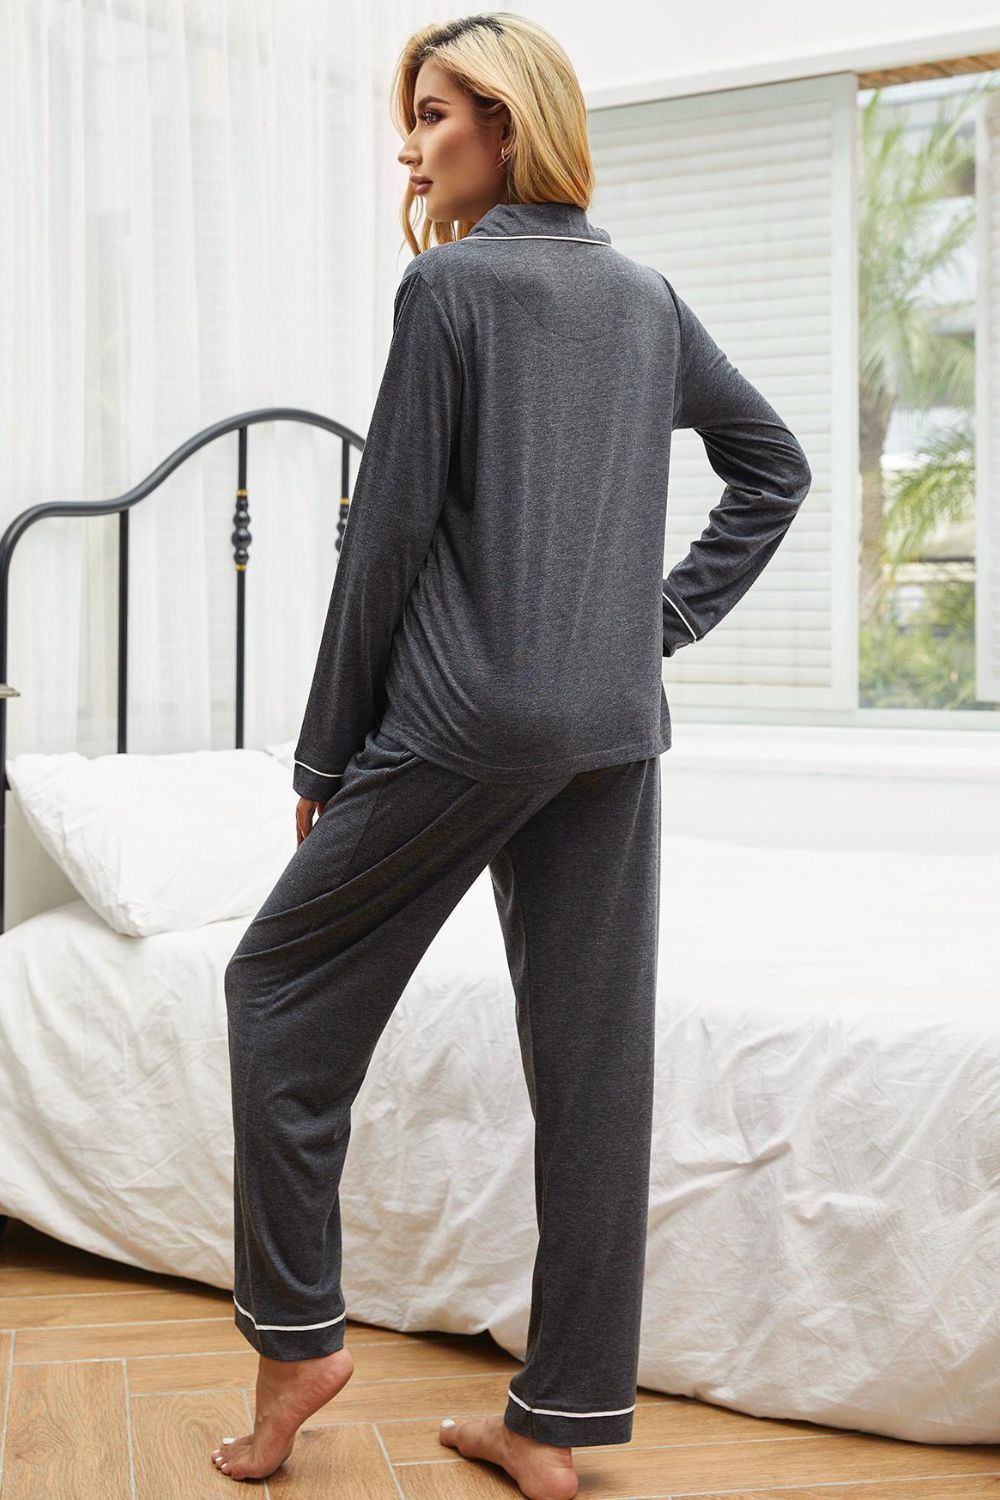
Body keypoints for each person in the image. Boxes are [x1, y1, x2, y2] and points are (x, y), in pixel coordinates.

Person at [212, 12, 812, 1498]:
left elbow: (386, 539)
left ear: (504, 121)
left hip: (465, 723)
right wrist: (647, 628)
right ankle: (556, 1423)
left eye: (432, 115)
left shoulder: (452, 291)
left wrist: (324, 755)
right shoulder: (645, 295)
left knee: (275, 989)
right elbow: (775, 466)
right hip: (610, 729)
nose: (410, 150)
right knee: (595, 1071)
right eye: (410, 118)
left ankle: (295, 1342)